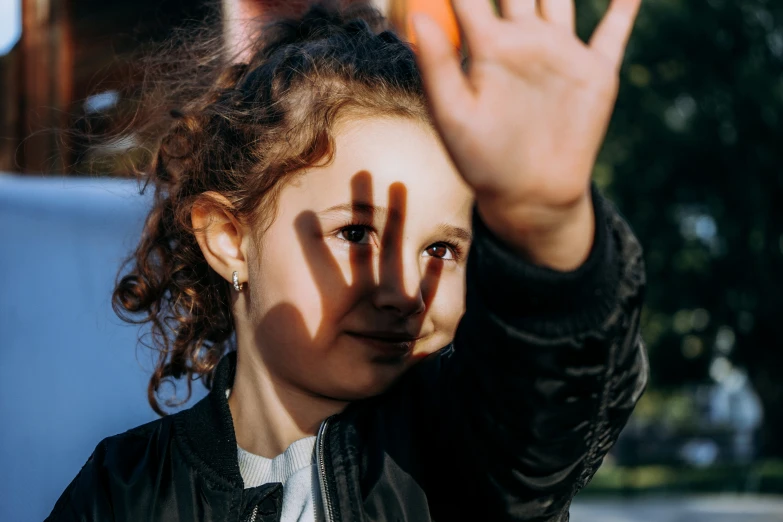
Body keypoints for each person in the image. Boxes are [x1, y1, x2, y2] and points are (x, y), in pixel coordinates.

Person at [46, 1, 648, 520]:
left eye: (442, 249)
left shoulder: (468, 451)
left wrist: (546, 224)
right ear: (231, 238)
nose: (405, 289)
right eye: (357, 234)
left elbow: (553, 384)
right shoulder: (122, 489)